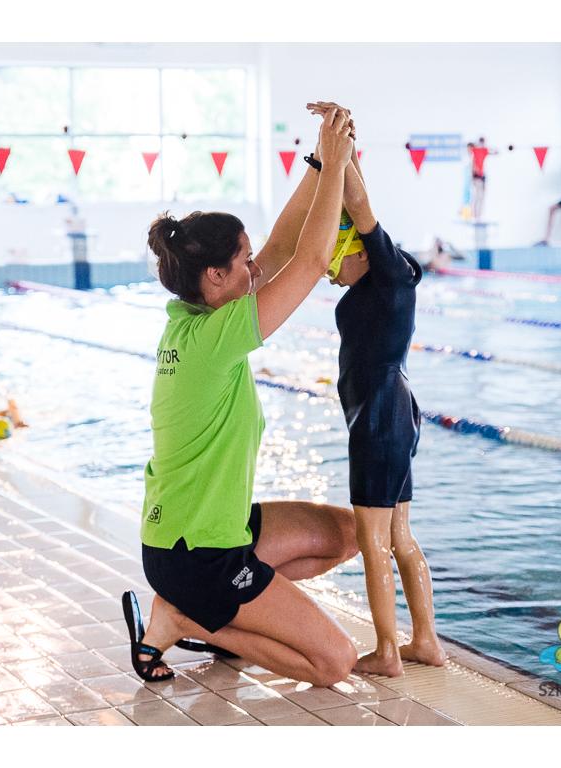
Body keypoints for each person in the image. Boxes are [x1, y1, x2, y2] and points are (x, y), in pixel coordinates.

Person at [121, 105, 361, 687]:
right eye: (243, 262)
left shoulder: (195, 315)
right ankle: (185, 618)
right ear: (216, 278)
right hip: (196, 557)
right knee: (334, 663)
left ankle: (214, 610)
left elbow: (280, 249)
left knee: (348, 534)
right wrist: (337, 168)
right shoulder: (214, 337)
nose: (256, 269)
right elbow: (306, 261)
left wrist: (318, 159)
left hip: (210, 529)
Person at [313, 101, 446, 677]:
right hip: (393, 409)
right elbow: (355, 201)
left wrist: (337, 140)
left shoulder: (389, 273)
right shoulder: (388, 282)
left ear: (363, 252)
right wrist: (341, 150)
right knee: (399, 535)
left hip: (378, 415)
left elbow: (360, 206)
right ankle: (426, 643)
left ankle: (388, 650)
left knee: (374, 540)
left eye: (335, 260)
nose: (328, 269)